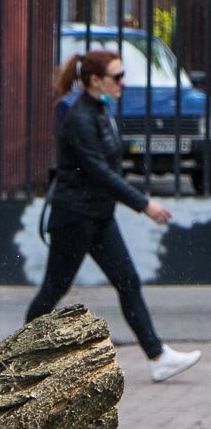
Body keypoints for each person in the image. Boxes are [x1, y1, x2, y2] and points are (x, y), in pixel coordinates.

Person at [26, 50, 201, 382]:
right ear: (96, 80)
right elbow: (100, 172)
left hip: (98, 216)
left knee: (128, 281)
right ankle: (17, 357)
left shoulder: (100, 111)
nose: (123, 82)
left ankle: (158, 356)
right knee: (54, 288)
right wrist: (144, 204)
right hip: (75, 218)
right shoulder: (80, 118)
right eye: (117, 76)